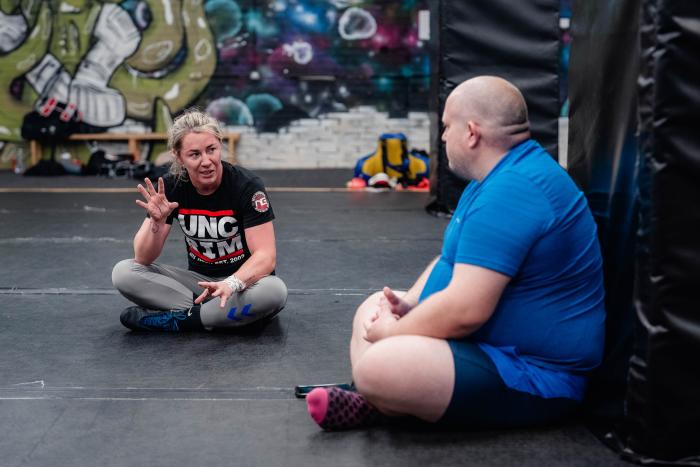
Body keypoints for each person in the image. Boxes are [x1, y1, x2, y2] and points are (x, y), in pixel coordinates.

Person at [305, 76, 606, 430]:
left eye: (448, 127)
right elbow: (450, 259)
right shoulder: (493, 178)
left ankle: (379, 398)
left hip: (535, 375)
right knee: (373, 306)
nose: (443, 136)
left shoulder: (515, 190)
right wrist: (412, 303)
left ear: (472, 133)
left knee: (379, 362)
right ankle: (385, 398)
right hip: (488, 346)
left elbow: (466, 311)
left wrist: (392, 333)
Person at [112, 109, 287, 331]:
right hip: (198, 285)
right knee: (124, 272)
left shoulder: (247, 186)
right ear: (178, 156)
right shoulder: (171, 187)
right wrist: (156, 223)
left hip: (243, 284)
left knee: (274, 291)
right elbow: (143, 257)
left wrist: (230, 284)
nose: (206, 161)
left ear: (219, 145)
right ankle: (218, 316)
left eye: (211, 150)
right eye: (195, 154)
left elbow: (266, 257)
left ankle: (185, 320)